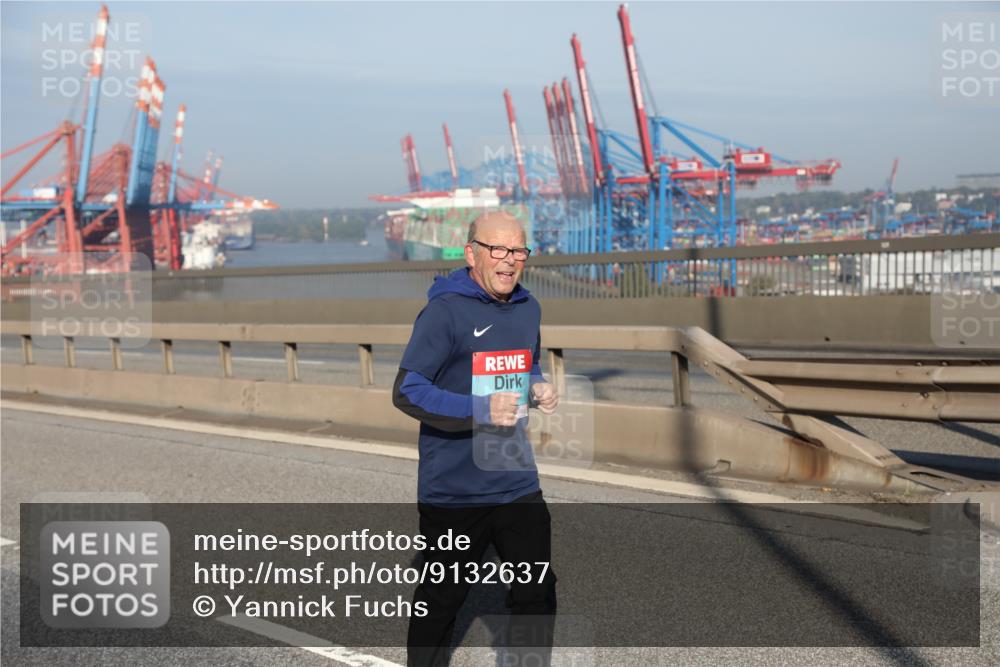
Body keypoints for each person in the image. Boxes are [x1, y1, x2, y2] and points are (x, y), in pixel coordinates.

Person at [393, 211, 559, 666]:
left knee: (536, 594)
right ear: (472, 253)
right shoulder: (444, 311)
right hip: (455, 491)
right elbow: (407, 391)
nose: (508, 261)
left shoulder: (529, 308)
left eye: (518, 251)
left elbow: (527, 365)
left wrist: (538, 384)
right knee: (441, 603)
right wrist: (479, 409)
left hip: (516, 480)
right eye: (497, 250)